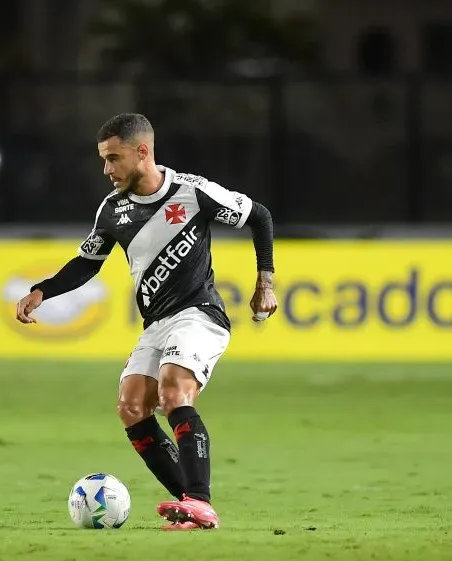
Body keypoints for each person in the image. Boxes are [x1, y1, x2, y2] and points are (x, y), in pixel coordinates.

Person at [15, 113, 278, 531]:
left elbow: (259, 216)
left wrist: (265, 283)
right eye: (103, 159)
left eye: (113, 158)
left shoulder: (193, 192)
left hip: (200, 315)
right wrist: (42, 291)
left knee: (174, 391)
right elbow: (88, 262)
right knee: (132, 407)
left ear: (142, 152)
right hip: (156, 323)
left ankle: (200, 500)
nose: (107, 170)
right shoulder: (112, 209)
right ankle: (192, 507)